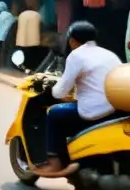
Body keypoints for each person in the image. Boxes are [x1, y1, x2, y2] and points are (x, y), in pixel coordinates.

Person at [35, 21, 122, 178]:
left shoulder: (76, 55)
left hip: (94, 112)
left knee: (54, 113)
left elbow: (60, 91)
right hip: (115, 109)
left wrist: (49, 92)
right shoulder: (109, 54)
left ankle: (55, 163)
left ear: (72, 40)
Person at [15, 1, 44, 69]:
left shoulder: (21, 15)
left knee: (23, 56)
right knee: (32, 58)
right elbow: (41, 27)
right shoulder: (37, 15)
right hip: (34, 42)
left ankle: (22, 68)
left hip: (21, 41)